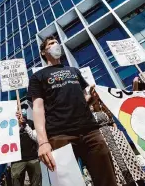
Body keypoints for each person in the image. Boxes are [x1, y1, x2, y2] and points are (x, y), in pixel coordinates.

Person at [28, 36, 117, 186]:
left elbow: (85, 98)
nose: (55, 45)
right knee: (67, 183)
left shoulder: (74, 71)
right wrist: (43, 142)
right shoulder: (38, 77)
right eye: (50, 44)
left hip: (91, 131)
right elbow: (38, 107)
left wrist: (94, 97)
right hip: (60, 135)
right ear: (43, 52)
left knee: (108, 180)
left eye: (56, 42)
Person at [90, 99, 145, 186]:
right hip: (103, 137)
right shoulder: (87, 112)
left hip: (116, 135)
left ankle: (139, 181)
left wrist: (119, 133)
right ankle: (125, 183)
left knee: (129, 160)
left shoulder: (103, 108)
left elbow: (112, 122)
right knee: (115, 163)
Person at [10, 104, 41, 186]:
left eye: (24, 109)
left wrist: (25, 126)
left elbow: (36, 138)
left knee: (36, 182)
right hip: (17, 160)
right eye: (21, 109)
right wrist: (19, 125)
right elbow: (11, 139)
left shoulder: (31, 123)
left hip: (33, 158)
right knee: (16, 181)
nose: (23, 110)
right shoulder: (11, 124)